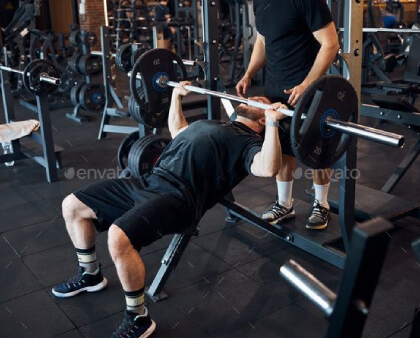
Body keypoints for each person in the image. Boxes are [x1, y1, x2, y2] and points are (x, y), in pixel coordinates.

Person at [52, 81, 287, 338]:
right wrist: (176, 96)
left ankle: (138, 317)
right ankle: (90, 274)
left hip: (179, 198)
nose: (253, 98)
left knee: (118, 237)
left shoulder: (248, 142)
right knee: (72, 205)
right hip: (149, 181)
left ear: (263, 119)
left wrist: (273, 123)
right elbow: (177, 130)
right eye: (254, 98)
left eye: (261, 102)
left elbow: (268, 168)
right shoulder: (215, 124)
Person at [230, 0, 340, 230]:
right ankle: (285, 203)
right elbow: (263, 40)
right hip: (276, 87)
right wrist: (249, 73)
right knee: (282, 147)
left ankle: (321, 204)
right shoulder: (260, 1)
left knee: (315, 150)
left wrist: (307, 83)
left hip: (310, 89)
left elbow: (330, 44)